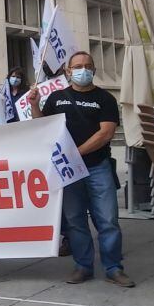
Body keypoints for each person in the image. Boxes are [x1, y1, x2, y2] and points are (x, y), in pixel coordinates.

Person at [28, 51, 134, 288]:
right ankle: (83, 266)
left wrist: (76, 153)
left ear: (93, 70)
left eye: (87, 66)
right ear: (68, 71)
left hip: (98, 167)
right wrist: (35, 105)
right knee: (75, 221)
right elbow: (43, 127)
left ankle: (114, 268)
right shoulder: (56, 98)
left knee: (107, 220)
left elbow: (105, 133)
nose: (82, 70)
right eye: (77, 66)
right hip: (68, 171)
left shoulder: (105, 99)